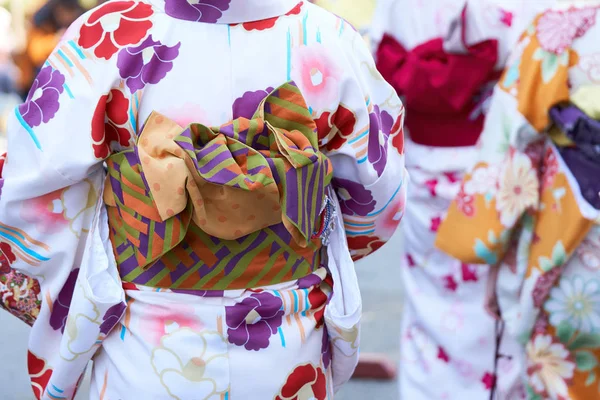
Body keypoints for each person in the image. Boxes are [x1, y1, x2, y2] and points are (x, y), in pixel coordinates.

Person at [0, 0, 407, 399]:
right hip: (290, 339)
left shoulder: (107, 36)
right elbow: (379, 205)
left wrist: (98, 263)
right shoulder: (329, 39)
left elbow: (26, 192)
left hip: (145, 342)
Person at [370, 0, 554, 399]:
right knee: (508, 307)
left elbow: (379, 54)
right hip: (510, 167)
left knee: (432, 306)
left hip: (427, 165)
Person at [436, 0, 600, 398]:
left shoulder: (563, 29)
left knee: (566, 374)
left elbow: (512, 148)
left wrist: (496, 252)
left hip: (575, 246)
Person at [14, 0, 85, 98]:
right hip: (33, 82)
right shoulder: (42, 20)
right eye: (67, 12)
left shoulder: (78, 19)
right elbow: (36, 53)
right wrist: (57, 39)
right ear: (58, 10)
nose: (68, 17)